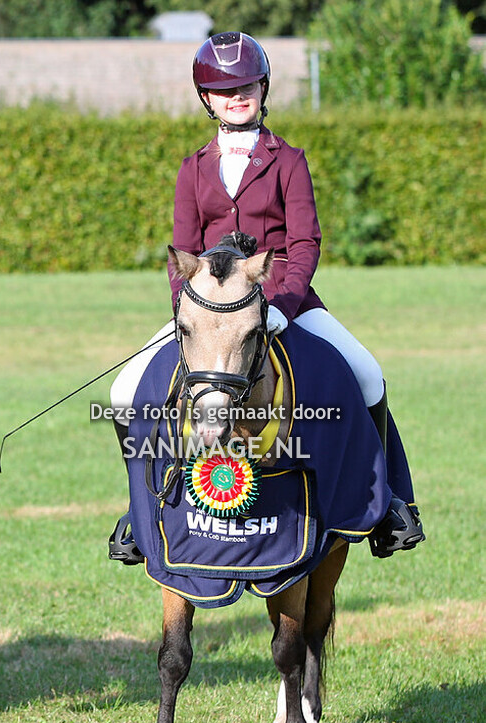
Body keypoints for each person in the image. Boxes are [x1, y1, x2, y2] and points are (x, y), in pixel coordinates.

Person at [110, 31, 424, 561]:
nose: (239, 96)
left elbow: (305, 241)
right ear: (206, 99)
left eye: (248, 86)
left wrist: (282, 305)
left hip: (284, 303)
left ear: (263, 88)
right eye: (226, 89)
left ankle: (391, 505)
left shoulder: (289, 160)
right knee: (122, 392)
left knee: (368, 374)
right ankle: (139, 512)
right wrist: (191, 314)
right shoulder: (193, 169)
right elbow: (183, 256)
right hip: (211, 315)